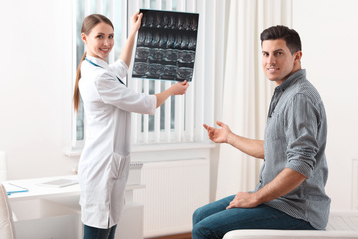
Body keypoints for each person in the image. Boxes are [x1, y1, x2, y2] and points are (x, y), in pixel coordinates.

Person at [192, 25, 330, 238]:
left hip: (296, 209)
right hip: (278, 200)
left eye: (278, 53)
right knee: (200, 216)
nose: (270, 61)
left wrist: (255, 198)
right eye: (266, 54)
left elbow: (301, 165)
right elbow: (274, 149)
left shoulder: (298, 98)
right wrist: (229, 137)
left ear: (297, 56)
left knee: (205, 229)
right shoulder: (285, 92)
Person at [73, 12, 189, 239]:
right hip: (102, 169)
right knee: (98, 232)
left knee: (108, 230)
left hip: (107, 165)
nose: (107, 43)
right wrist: (172, 91)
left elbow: (122, 65)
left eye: (111, 36)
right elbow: (144, 103)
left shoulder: (100, 70)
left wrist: (133, 32)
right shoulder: (99, 78)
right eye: (100, 37)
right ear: (85, 38)